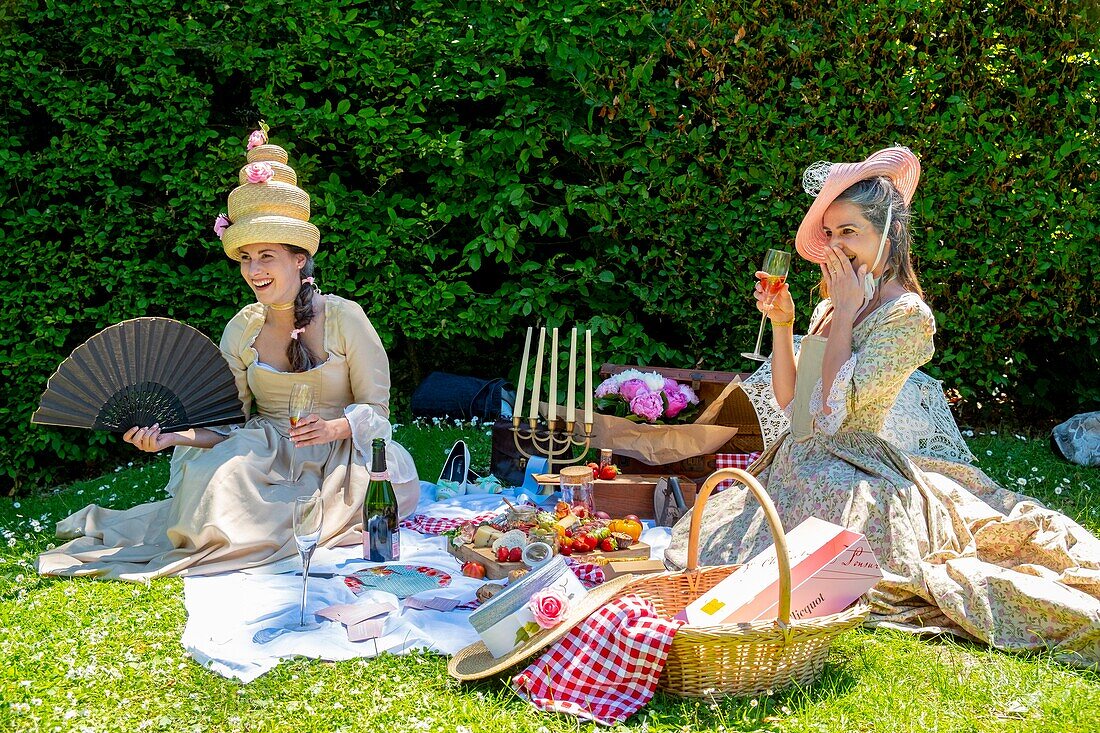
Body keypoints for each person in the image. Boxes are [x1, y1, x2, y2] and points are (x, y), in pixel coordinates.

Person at [666, 147, 1100, 667]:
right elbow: (795, 407)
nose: (835, 246)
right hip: (798, 457)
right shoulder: (834, 302)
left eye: (848, 232)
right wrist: (785, 324)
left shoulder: (906, 317)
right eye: (829, 234)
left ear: (887, 232)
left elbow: (833, 417)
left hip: (856, 467)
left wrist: (846, 314)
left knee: (844, 540)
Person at [39, 127, 420, 580]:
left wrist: (334, 426)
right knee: (216, 481)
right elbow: (225, 422)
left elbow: (378, 413)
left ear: (299, 258)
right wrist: (170, 438)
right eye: (245, 259)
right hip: (266, 451)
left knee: (382, 488)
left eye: (266, 256)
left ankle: (267, 522)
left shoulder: (344, 318)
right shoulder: (243, 326)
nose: (254, 270)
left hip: (341, 457)